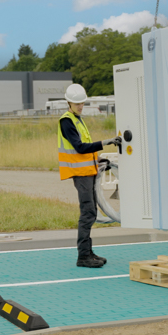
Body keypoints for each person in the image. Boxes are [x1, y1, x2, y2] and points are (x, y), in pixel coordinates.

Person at [58, 84, 121, 268]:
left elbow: (84, 150)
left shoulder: (78, 120)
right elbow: (79, 147)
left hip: (88, 171)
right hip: (80, 173)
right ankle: (83, 256)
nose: (80, 106)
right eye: (76, 103)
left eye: (82, 103)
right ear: (68, 102)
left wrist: (99, 160)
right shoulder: (67, 121)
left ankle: (88, 253)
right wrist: (105, 142)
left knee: (91, 212)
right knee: (88, 213)